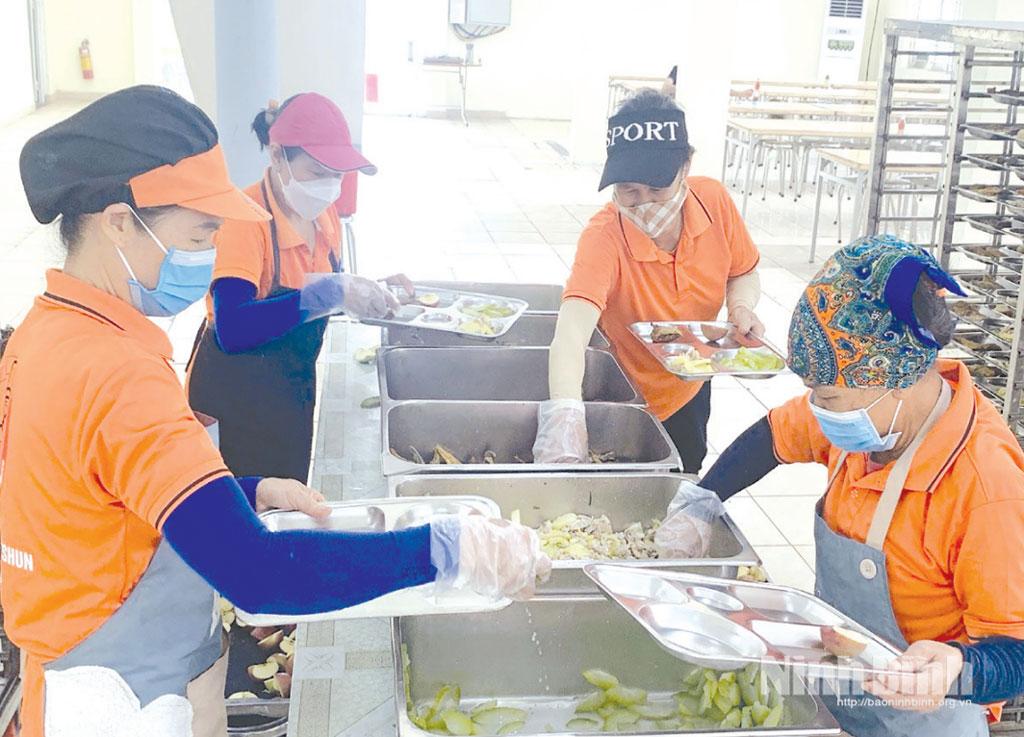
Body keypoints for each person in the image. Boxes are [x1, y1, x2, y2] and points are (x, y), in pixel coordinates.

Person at [1, 85, 549, 737]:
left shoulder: (45, 332)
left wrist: (243, 491)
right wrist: (444, 551)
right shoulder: (118, 374)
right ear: (119, 221)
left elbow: (91, 497)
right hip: (120, 707)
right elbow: (258, 574)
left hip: (66, 683)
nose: (208, 250)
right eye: (201, 231)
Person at [656, 235, 1024, 736]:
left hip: (929, 718)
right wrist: (702, 500)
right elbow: (772, 437)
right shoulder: (869, 416)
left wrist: (959, 666)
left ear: (897, 377)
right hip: (839, 688)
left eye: (827, 397)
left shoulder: (986, 486)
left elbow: (1017, 650)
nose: (818, 412)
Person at [532, 89, 765, 473]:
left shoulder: (714, 201)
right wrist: (566, 418)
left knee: (685, 472)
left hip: (690, 385)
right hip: (625, 397)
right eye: (630, 191)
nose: (645, 204)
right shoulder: (604, 237)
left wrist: (741, 306)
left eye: (658, 189)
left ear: (686, 167)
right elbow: (571, 335)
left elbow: (742, 271)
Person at [186, 92, 410, 482]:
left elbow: (316, 291)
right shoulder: (246, 220)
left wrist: (368, 290)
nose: (329, 185)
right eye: (317, 171)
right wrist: (330, 293)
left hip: (290, 392)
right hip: (231, 400)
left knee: (287, 499)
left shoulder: (325, 216)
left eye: (337, 174)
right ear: (277, 156)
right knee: (239, 512)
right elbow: (233, 328)